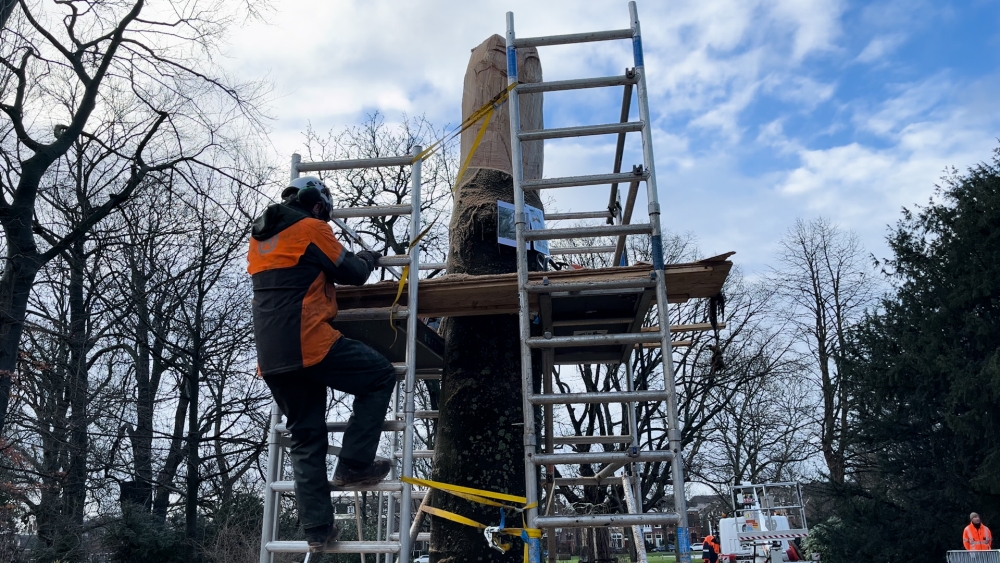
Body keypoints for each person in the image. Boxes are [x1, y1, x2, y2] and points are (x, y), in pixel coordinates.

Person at [248, 176, 396, 552]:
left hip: (271, 357)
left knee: (306, 439)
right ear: (318, 206)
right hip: (308, 342)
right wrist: (367, 257)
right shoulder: (312, 228)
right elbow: (354, 274)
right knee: (378, 375)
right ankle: (354, 464)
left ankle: (317, 531)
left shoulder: (262, 239)